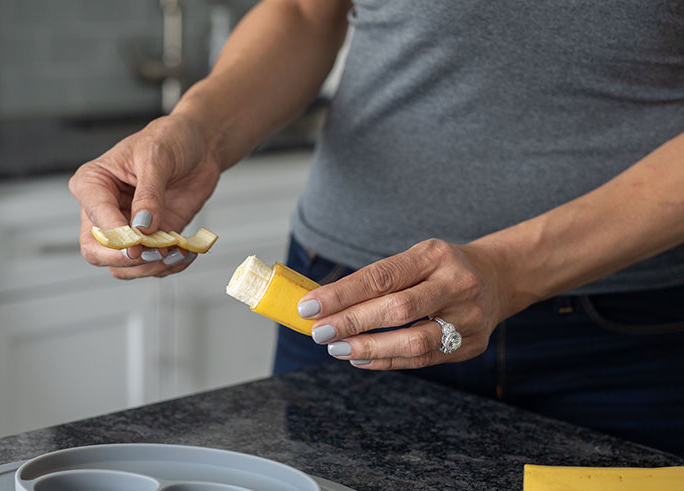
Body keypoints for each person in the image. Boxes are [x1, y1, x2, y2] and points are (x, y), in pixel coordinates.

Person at [69, 0, 684, 454]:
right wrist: (201, 129)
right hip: (341, 301)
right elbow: (304, 14)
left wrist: (512, 270)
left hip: (626, 336)